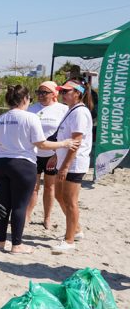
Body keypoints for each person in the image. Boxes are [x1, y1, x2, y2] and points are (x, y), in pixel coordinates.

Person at [0, 85, 76, 254]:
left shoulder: (0, 118)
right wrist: (64, 143)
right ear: (25, 99)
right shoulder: (30, 117)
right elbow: (41, 143)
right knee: (20, 206)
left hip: (1, 164)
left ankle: (0, 243)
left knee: (3, 204)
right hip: (22, 164)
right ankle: (16, 245)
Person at [50, 80, 93, 254]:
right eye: (61, 92)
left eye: (66, 91)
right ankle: (76, 229)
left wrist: (65, 166)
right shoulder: (71, 110)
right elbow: (65, 137)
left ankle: (69, 240)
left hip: (74, 163)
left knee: (70, 201)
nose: (63, 95)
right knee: (60, 196)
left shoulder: (80, 112)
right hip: (65, 160)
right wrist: (56, 156)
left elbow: (76, 141)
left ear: (78, 93)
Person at [24, 81, 68, 230]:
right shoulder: (31, 109)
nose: (41, 95)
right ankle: (27, 215)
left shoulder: (63, 109)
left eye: (45, 92)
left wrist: (57, 153)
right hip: (34, 154)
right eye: (39, 92)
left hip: (52, 155)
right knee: (32, 187)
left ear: (54, 94)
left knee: (50, 187)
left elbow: (65, 132)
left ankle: (47, 218)